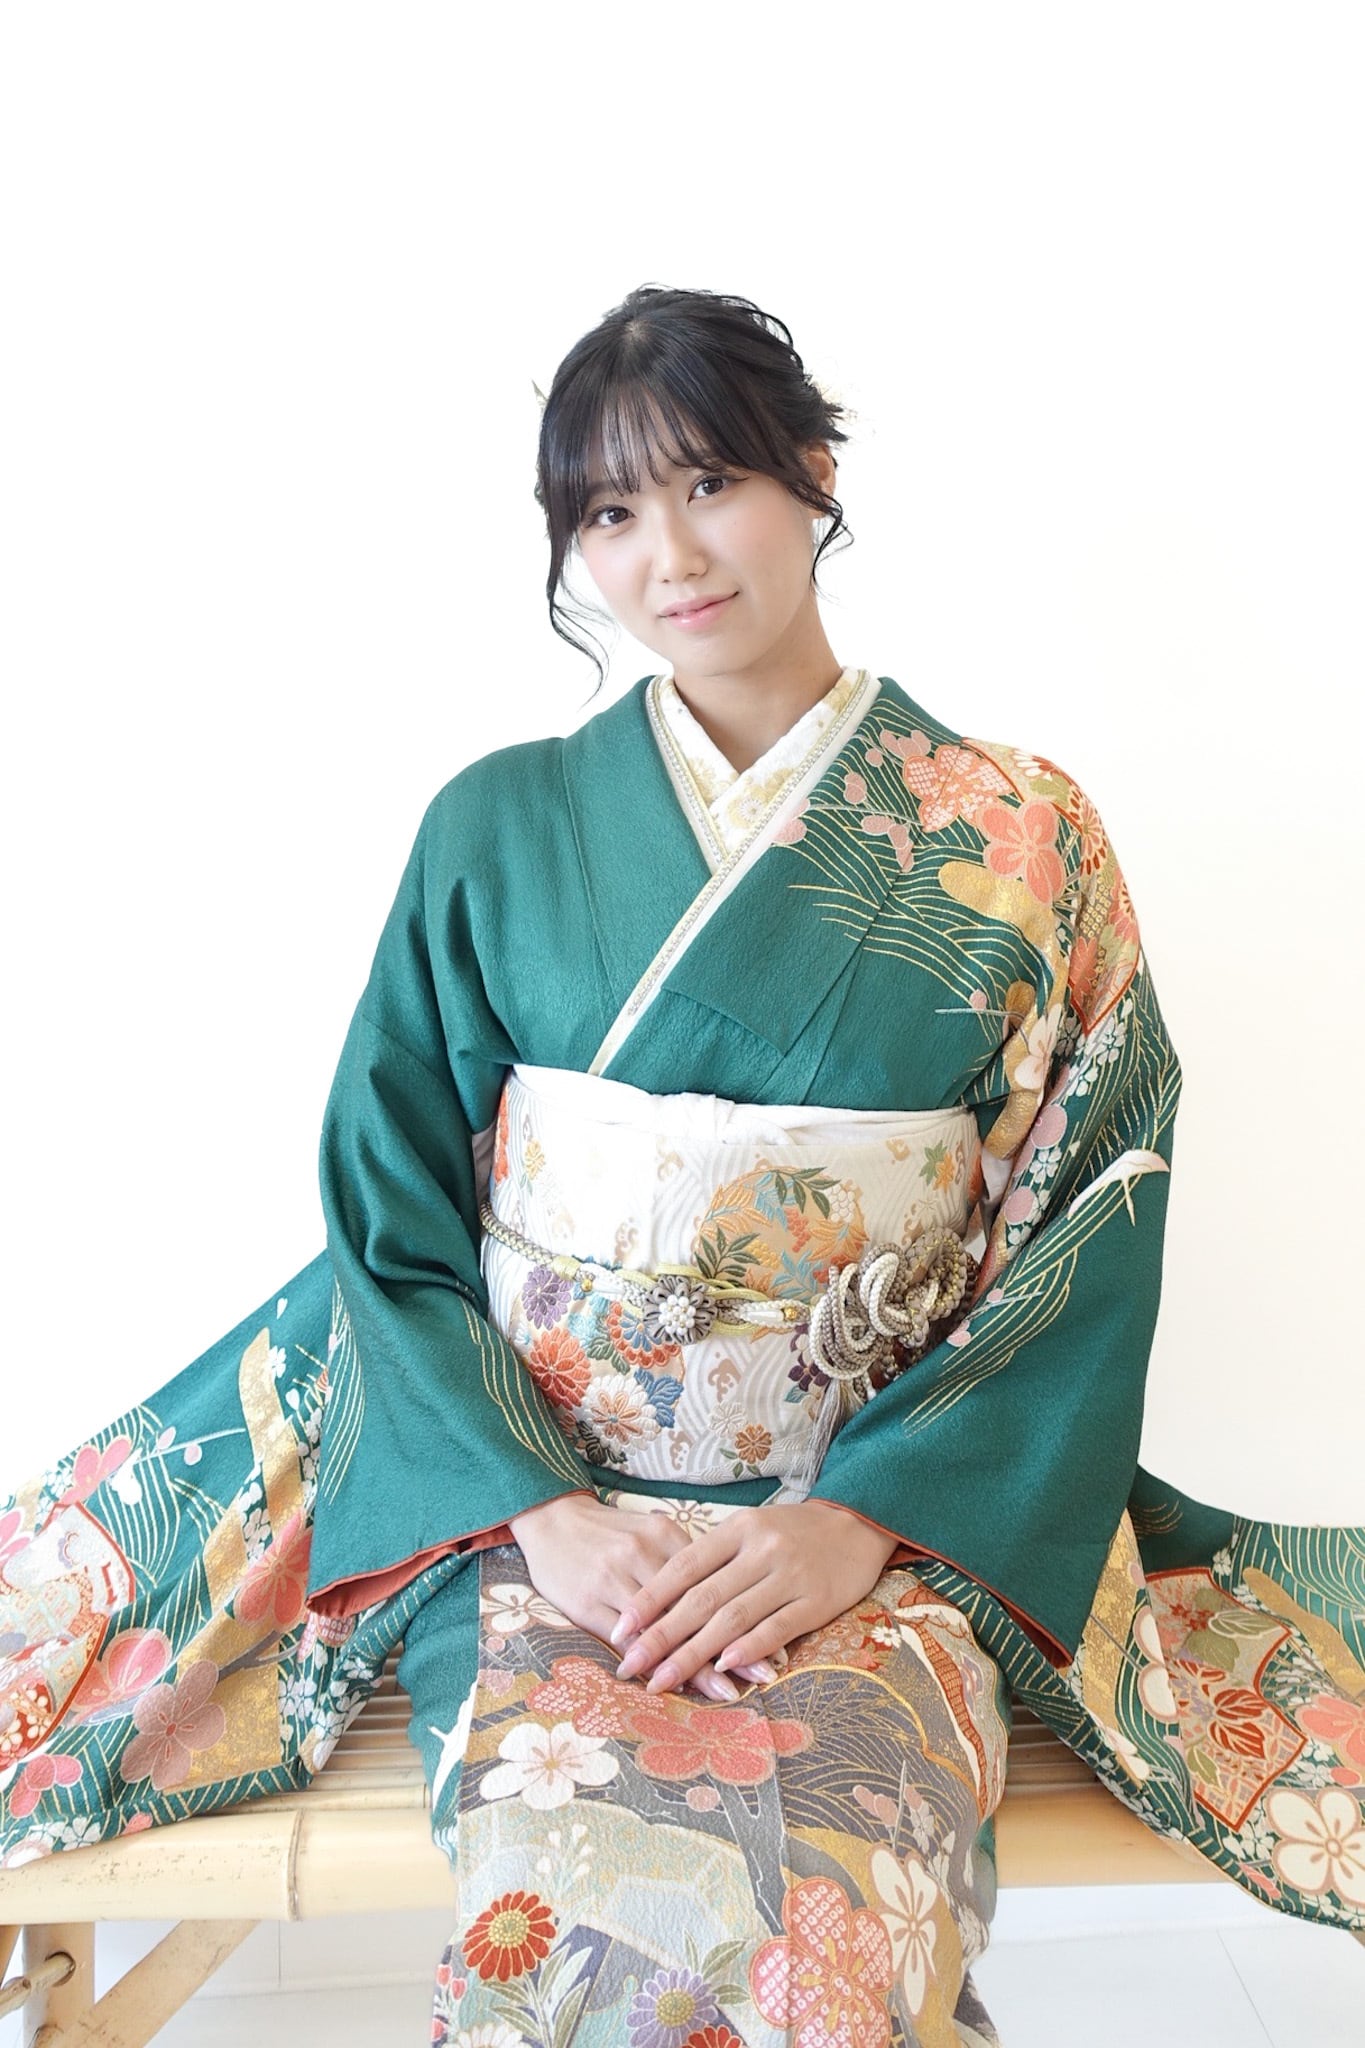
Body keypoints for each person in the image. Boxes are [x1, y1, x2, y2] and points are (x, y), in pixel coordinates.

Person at [1, 285, 1361, 2047]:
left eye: (710, 481)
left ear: (812, 474)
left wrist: (858, 1522)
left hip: (878, 1529)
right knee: (567, 1899)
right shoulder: (493, 824)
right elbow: (392, 1213)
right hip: (550, 1521)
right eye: (609, 513)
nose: (668, 556)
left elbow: (1090, 1215)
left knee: (832, 1908)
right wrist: (537, 1510)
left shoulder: (1024, 835)